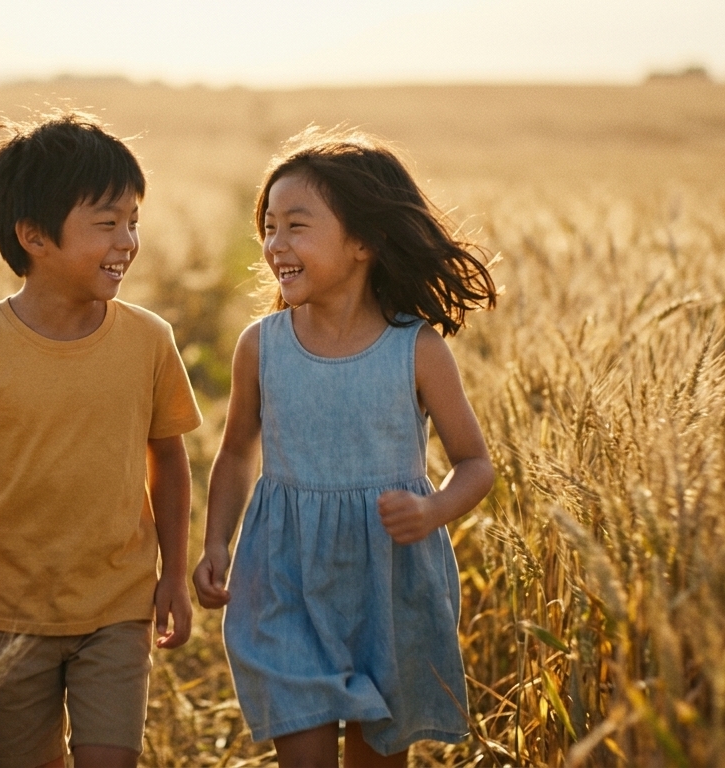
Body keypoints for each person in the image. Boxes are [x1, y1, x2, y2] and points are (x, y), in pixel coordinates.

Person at [0, 110, 202, 768]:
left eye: (133, 220)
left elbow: (169, 463)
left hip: (117, 603)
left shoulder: (149, 341)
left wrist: (173, 574)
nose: (128, 239)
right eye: (106, 223)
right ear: (34, 236)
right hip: (8, 610)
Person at [192, 128, 497, 768]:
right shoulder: (261, 344)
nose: (276, 245)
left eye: (296, 226)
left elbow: (475, 463)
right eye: (269, 227)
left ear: (363, 242)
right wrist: (217, 539)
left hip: (389, 580)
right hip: (285, 575)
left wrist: (435, 511)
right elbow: (237, 452)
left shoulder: (416, 349)